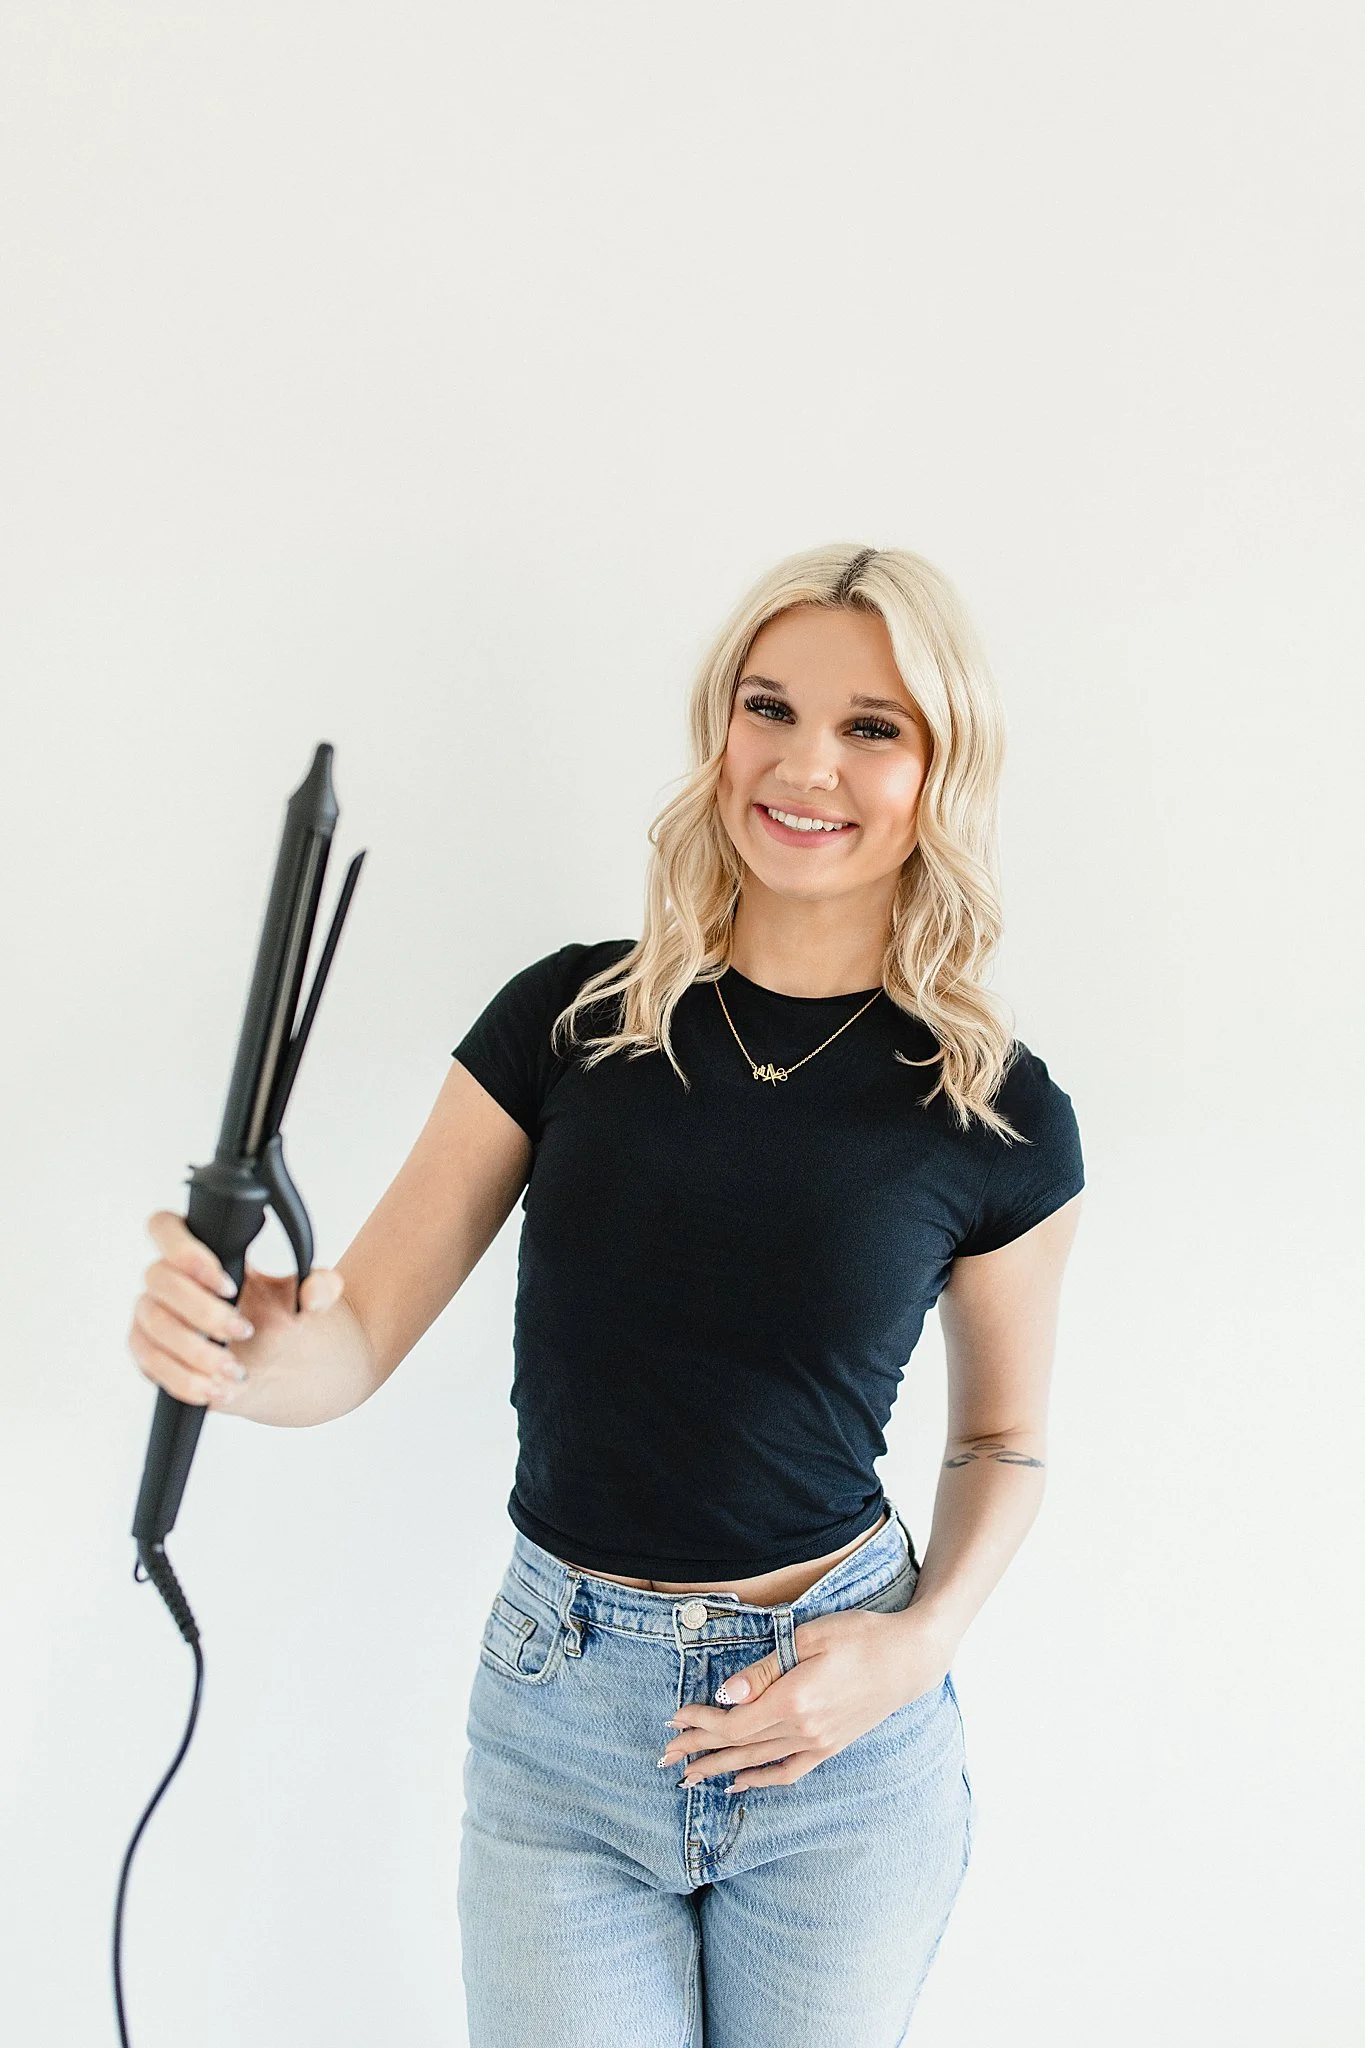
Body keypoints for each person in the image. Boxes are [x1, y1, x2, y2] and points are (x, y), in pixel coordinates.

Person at [128, 542, 1085, 2046]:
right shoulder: (570, 1021)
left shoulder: (994, 1108)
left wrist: (922, 1642)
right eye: (768, 707)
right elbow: (356, 1330)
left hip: (834, 1727)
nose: (804, 762)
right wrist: (236, 1353)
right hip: (562, 1718)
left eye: (871, 726)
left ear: (939, 766)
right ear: (720, 729)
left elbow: (1003, 1444)